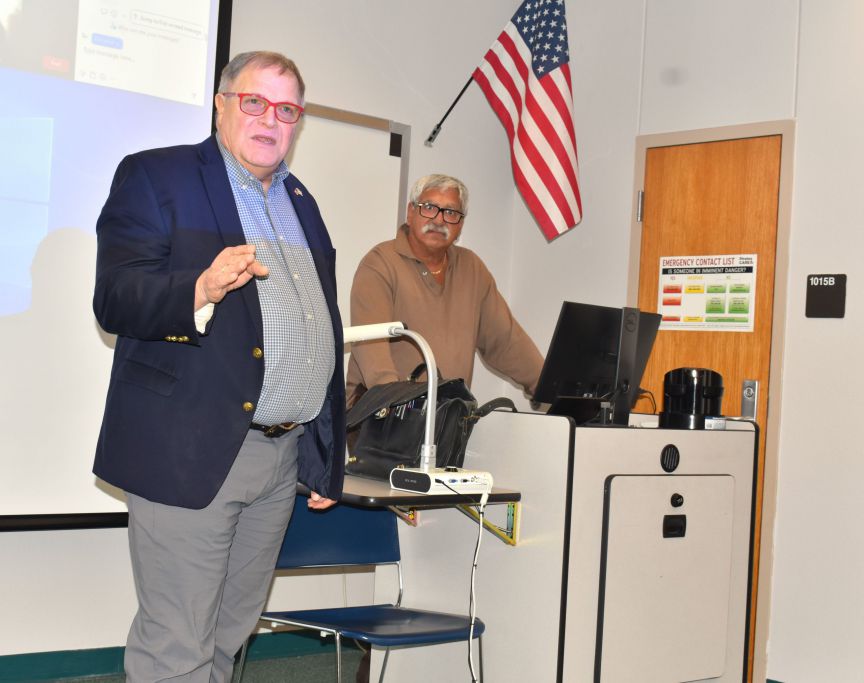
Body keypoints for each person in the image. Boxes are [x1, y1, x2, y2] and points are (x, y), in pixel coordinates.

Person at [92, 51, 345, 683]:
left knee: (231, 635)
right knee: (177, 644)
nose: (269, 120)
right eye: (254, 102)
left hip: (278, 458)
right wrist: (198, 289)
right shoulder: (159, 177)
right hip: (191, 446)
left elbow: (321, 327)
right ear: (221, 103)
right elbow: (115, 296)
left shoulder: (299, 199)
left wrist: (321, 449)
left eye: (286, 110)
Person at [346, 173, 543, 405]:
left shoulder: (472, 268)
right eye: (429, 207)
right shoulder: (380, 263)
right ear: (410, 212)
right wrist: (396, 406)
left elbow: (506, 342)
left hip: (446, 417)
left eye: (451, 213)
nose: (439, 220)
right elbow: (372, 346)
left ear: (460, 225)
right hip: (383, 420)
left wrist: (549, 388)